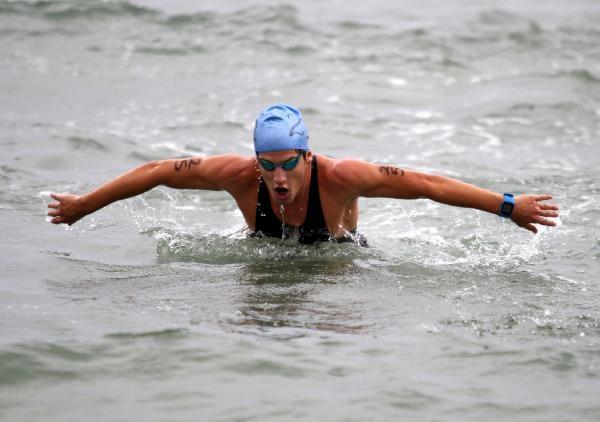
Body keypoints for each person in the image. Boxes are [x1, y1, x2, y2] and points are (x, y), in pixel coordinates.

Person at [47, 103, 559, 245]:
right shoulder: (239, 174)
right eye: (267, 166)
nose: (278, 176)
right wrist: (79, 208)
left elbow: (428, 185)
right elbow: (157, 171)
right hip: (266, 251)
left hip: (340, 259)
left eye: (289, 163)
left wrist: (509, 206)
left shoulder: (343, 177)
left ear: (308, 156)